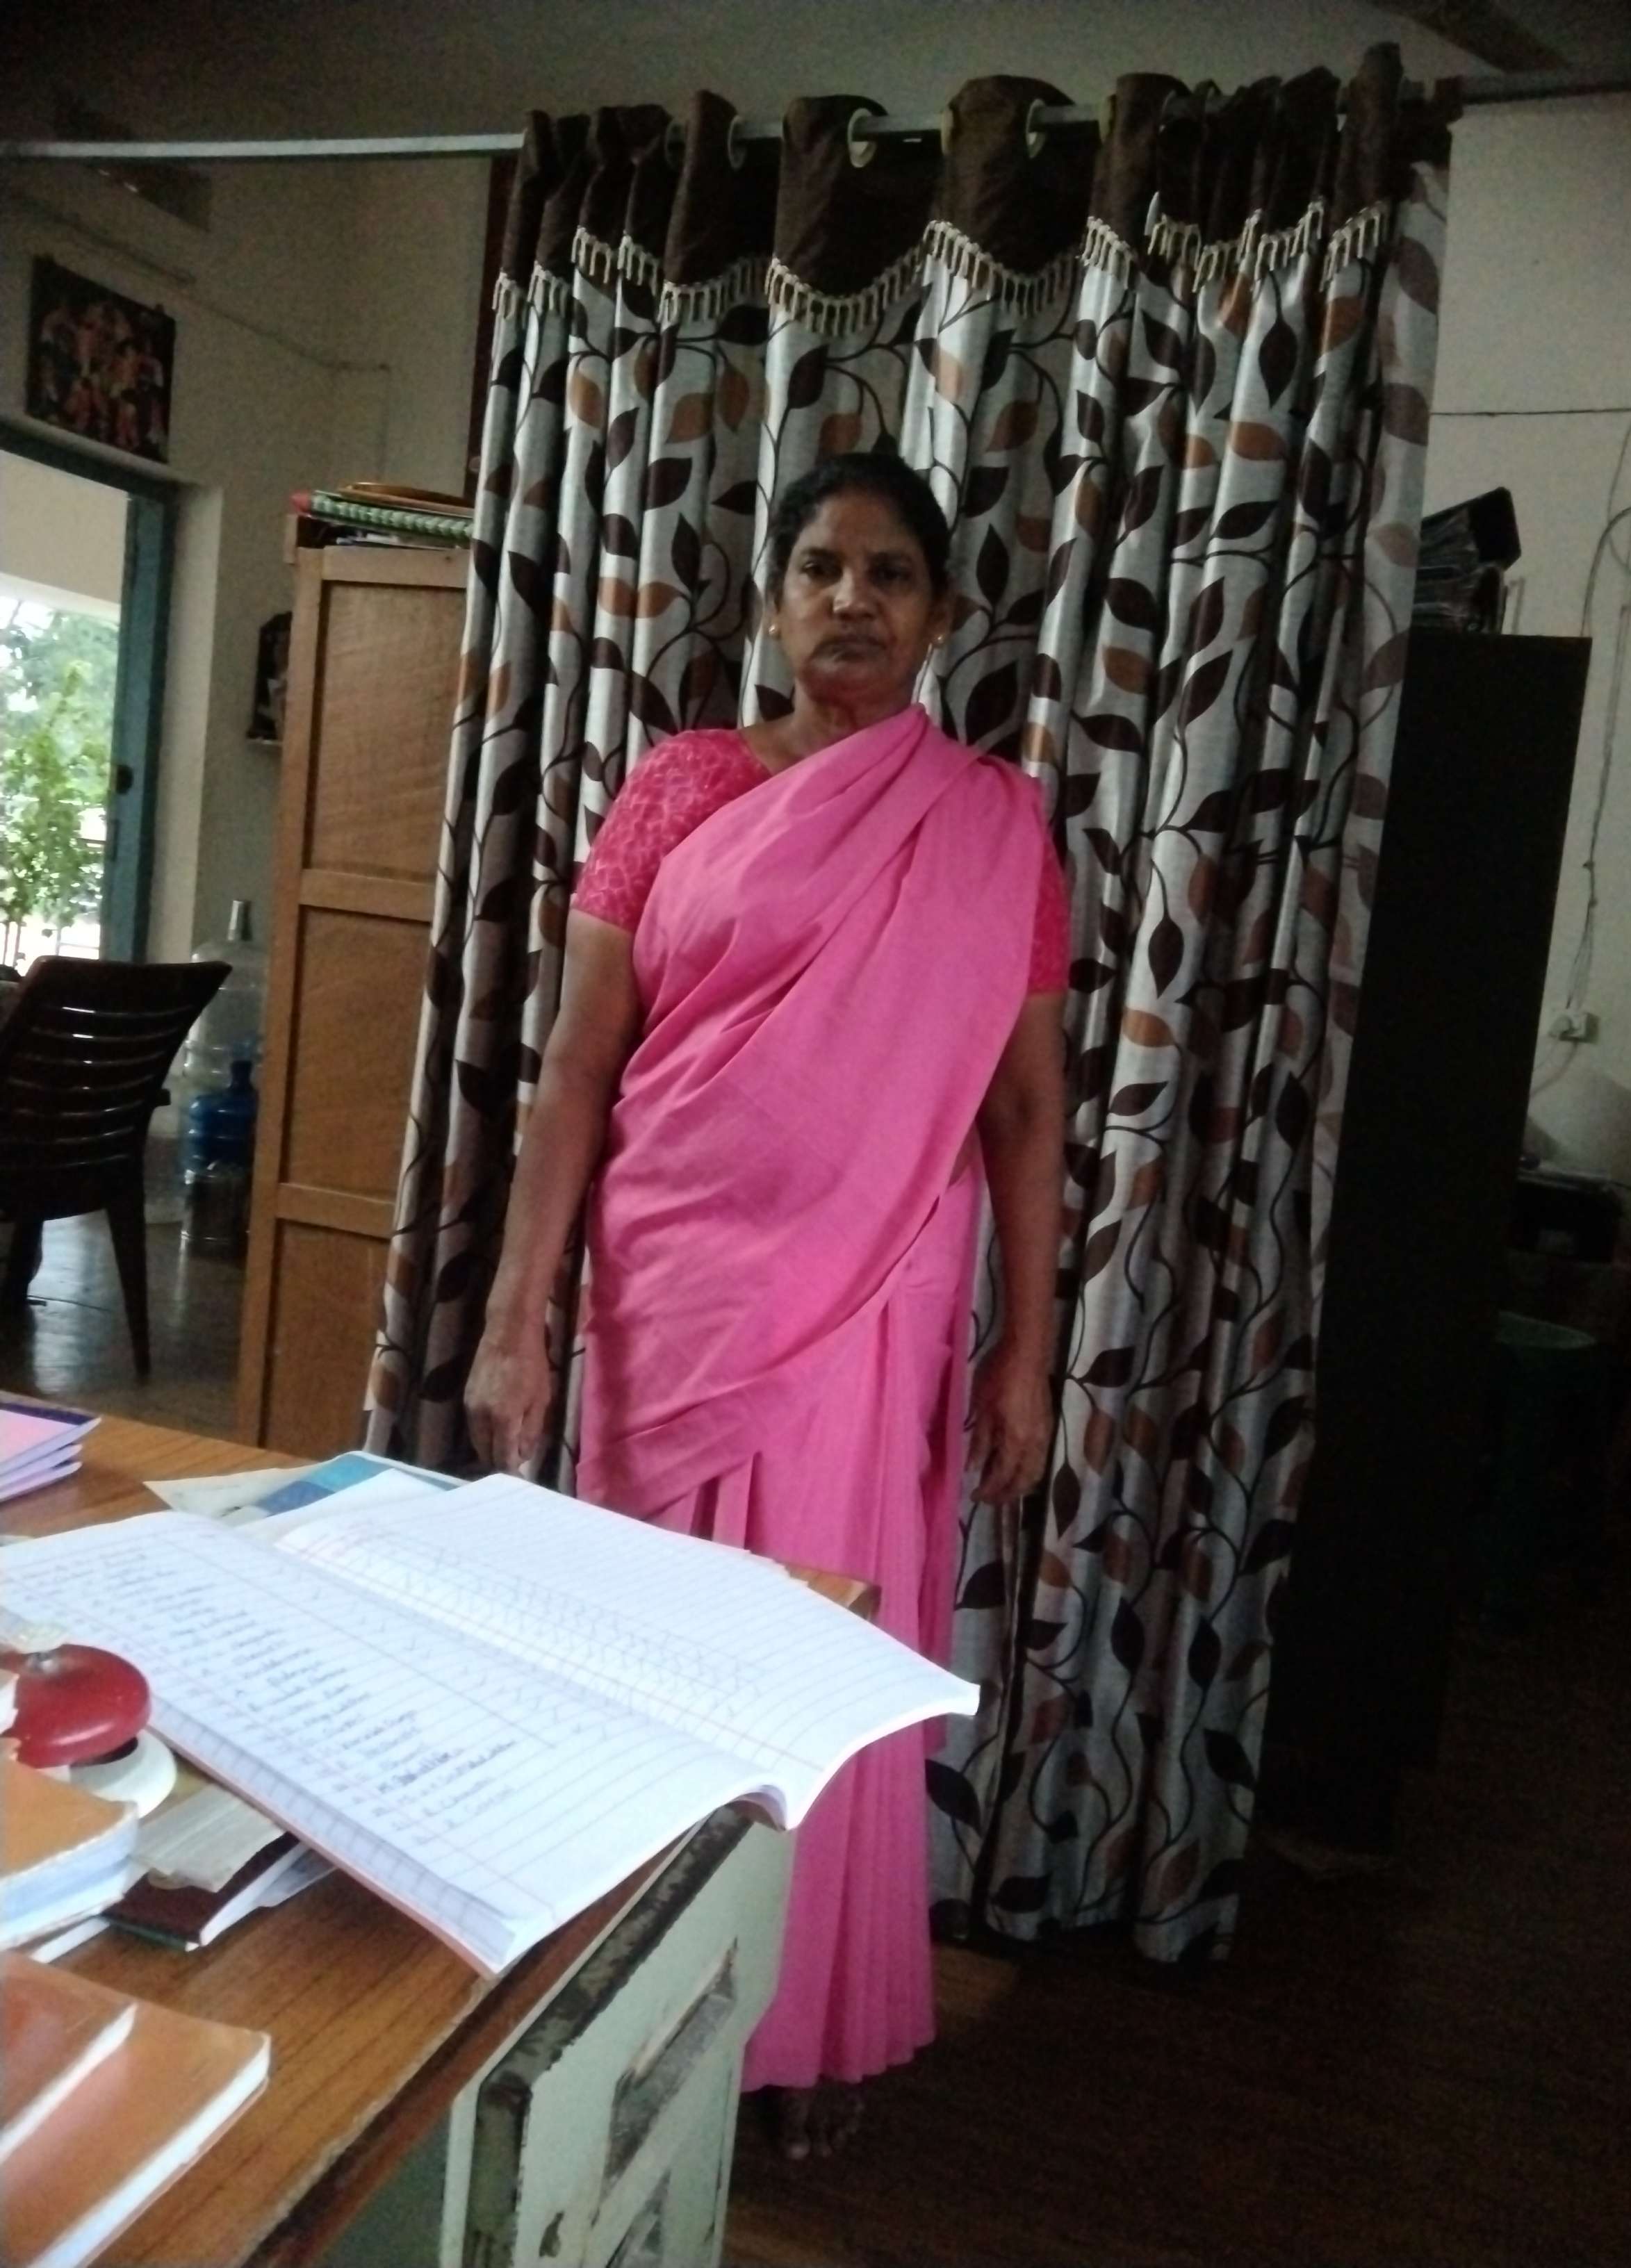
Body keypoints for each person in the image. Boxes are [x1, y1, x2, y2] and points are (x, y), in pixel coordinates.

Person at [466, 451, 1066, 2159]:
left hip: (877, 1314)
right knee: (646, 1661)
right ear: (775, 599)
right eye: (819, 568)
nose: (851, 600)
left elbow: (1026, 1109)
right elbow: (580, 1070)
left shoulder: (990, 827)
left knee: (815, 1667)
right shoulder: (682, 789)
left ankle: (800, 2032)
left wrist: (1029, 1348)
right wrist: (517, 1317)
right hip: (669, 1299)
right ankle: (626, 2016)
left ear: (942, 616)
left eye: (890, 574)